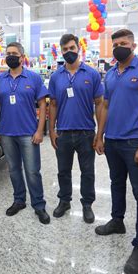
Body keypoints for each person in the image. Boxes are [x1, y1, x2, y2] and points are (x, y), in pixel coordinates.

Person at [94, 29, 138, 274]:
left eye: (123, 43)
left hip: (136, 142)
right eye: (115, 44)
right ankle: (117, 220)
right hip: (112, 141)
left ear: (134, 45)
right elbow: (105, 105)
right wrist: (99, 134)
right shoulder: (111, 74)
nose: (118, 47)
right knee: (116, 183)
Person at [0, 42, 50, 224]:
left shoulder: (33, 78)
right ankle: (19, 200)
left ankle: (39, 205)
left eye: (14, 53)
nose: (11, 56)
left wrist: (40, 131)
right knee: (14, 170)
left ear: (22, 57)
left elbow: (42, 104)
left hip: (28, 133)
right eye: (8, 53)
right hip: (7, 133)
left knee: (32, 171)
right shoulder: (0, 80)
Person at [48, 34, 104, 224]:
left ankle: (87, 204)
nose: (69, 52)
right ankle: (64, 201)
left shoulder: (92, 74)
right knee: (63, 171)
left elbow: (99, 104)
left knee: (87, 171)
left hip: (86, 132)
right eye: (65, 49)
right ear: (61, 51)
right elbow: (53, 104)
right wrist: (52, 130)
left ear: (78, 48)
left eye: (72, 48)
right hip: (63, 132)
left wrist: (100, 133)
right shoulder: (55, 77)